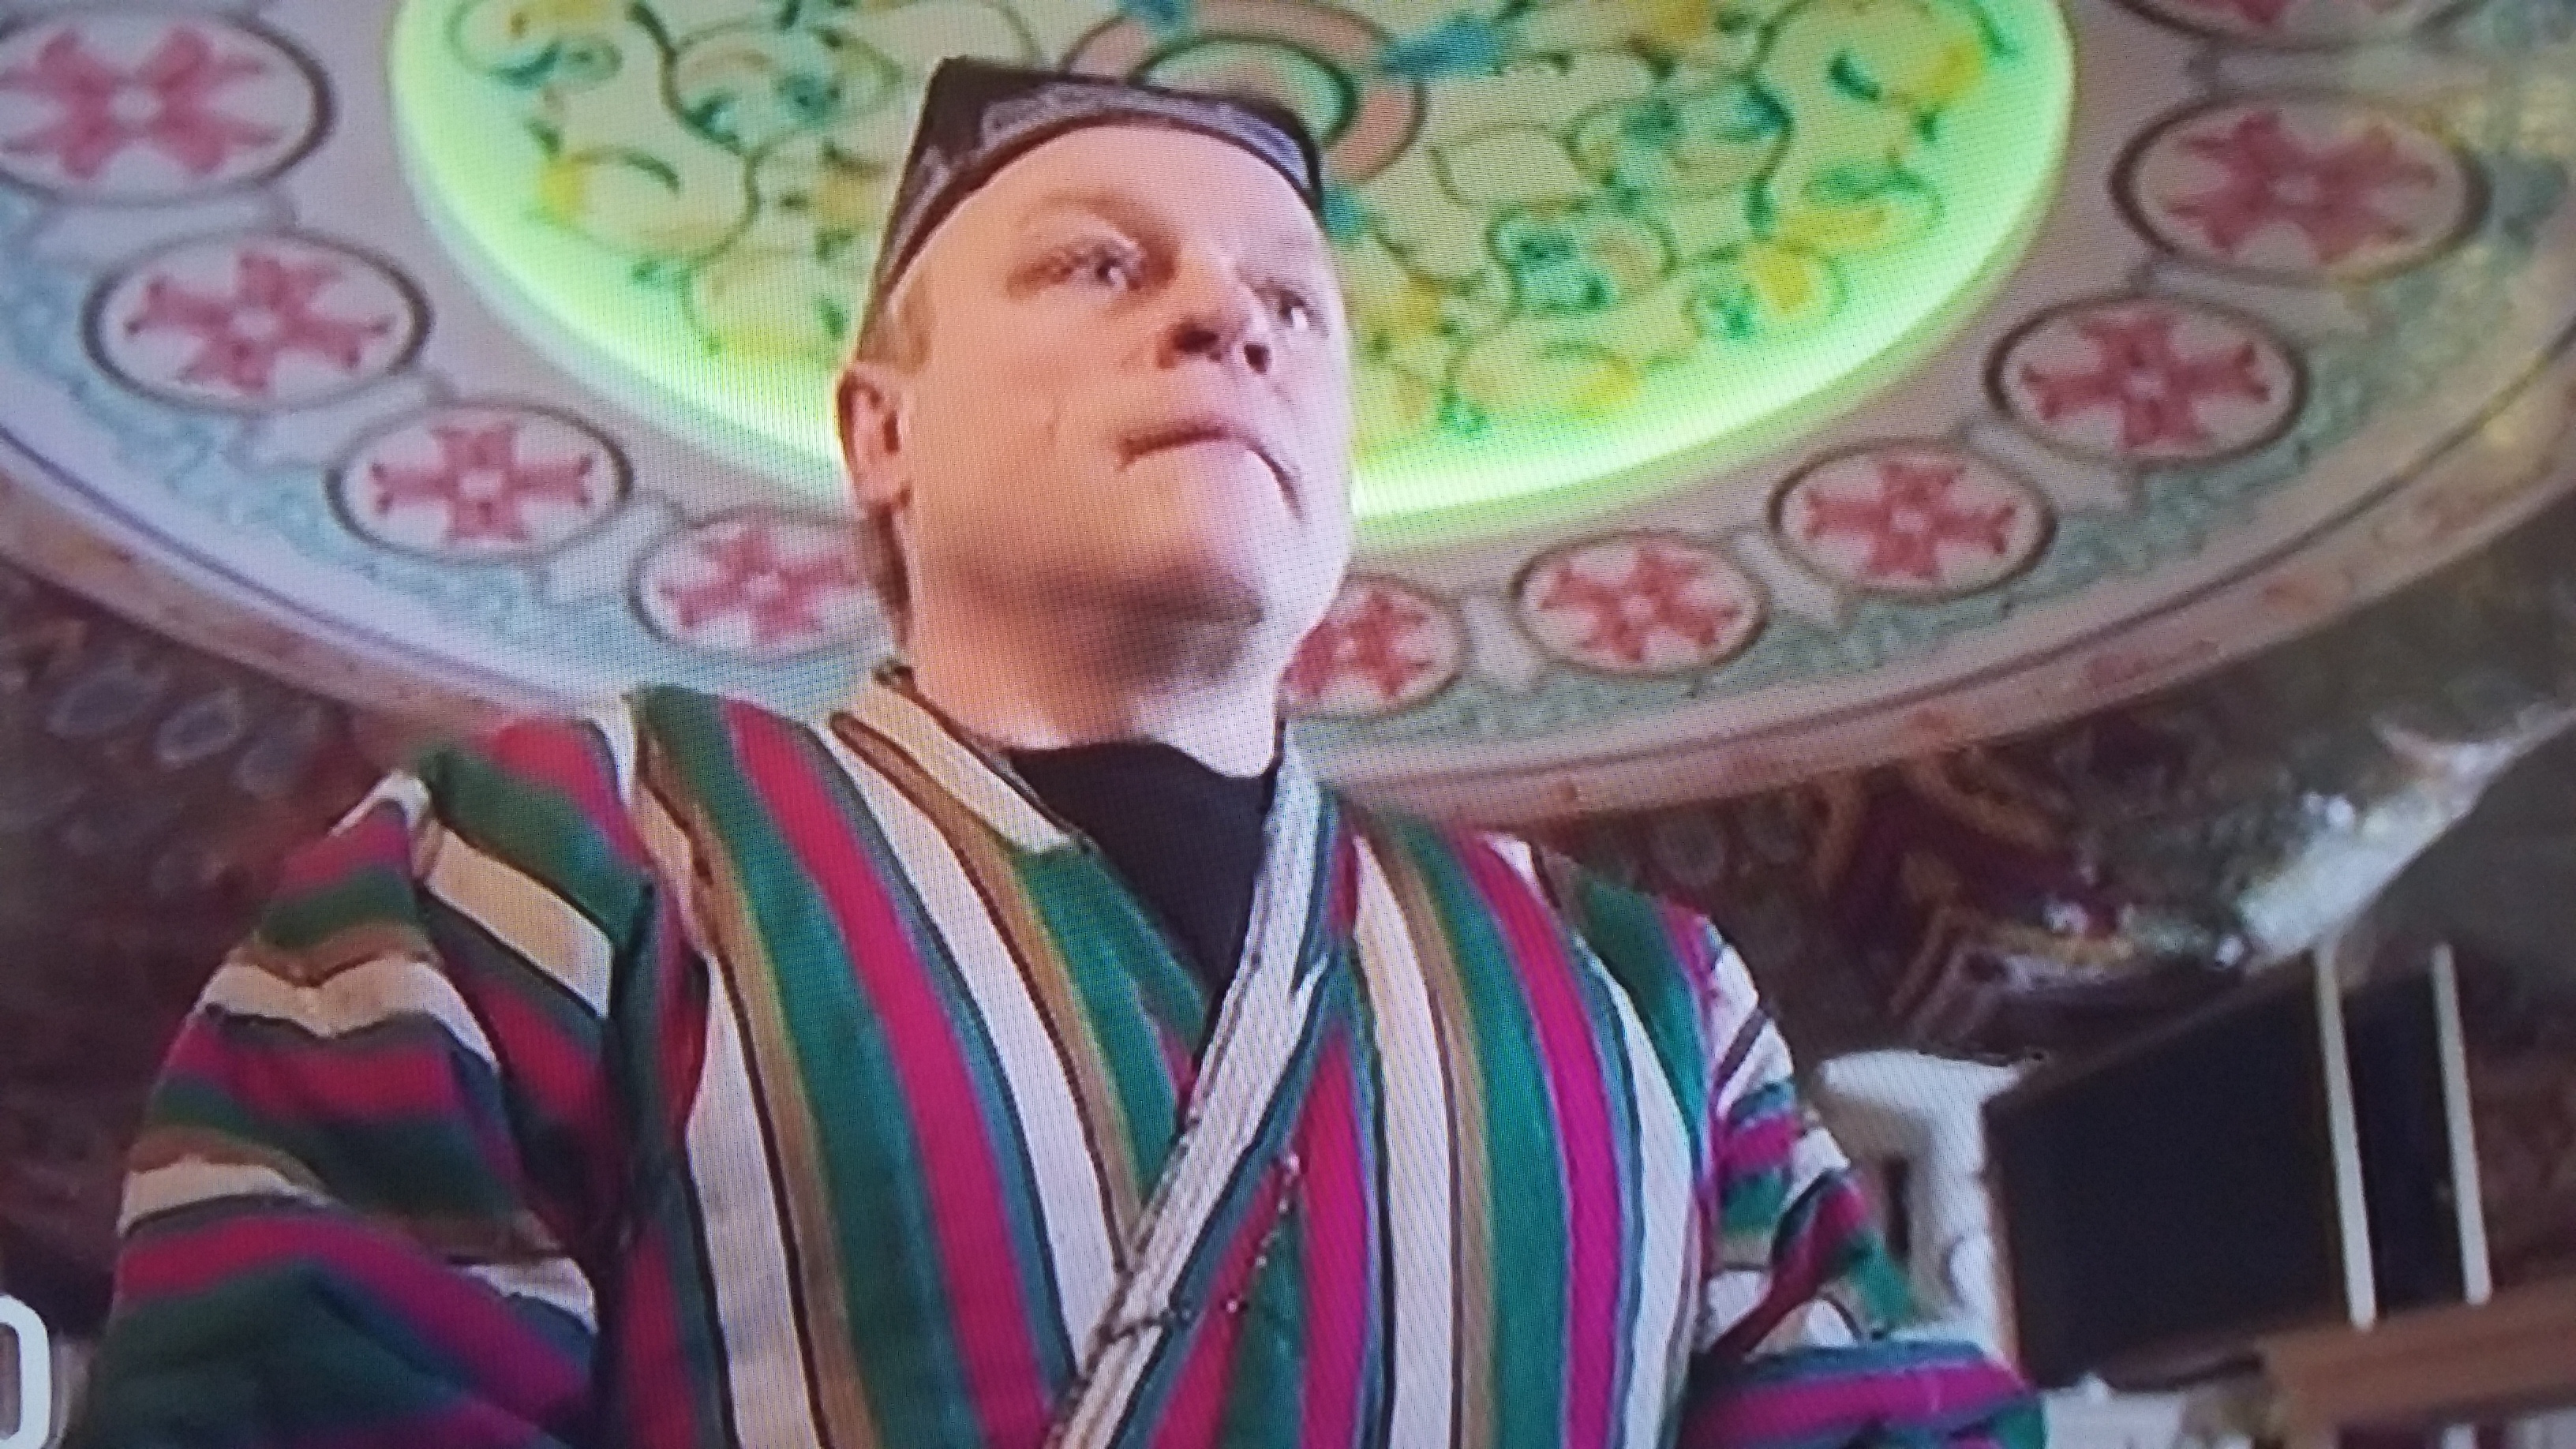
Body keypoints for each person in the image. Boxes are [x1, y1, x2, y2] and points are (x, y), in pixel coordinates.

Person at [66, 59, 2040, 1449]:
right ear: (879, 430)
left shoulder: (1656, 1008)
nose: (1226, 321)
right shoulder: (548, 866)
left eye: (1293, 305)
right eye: (1101, 264)